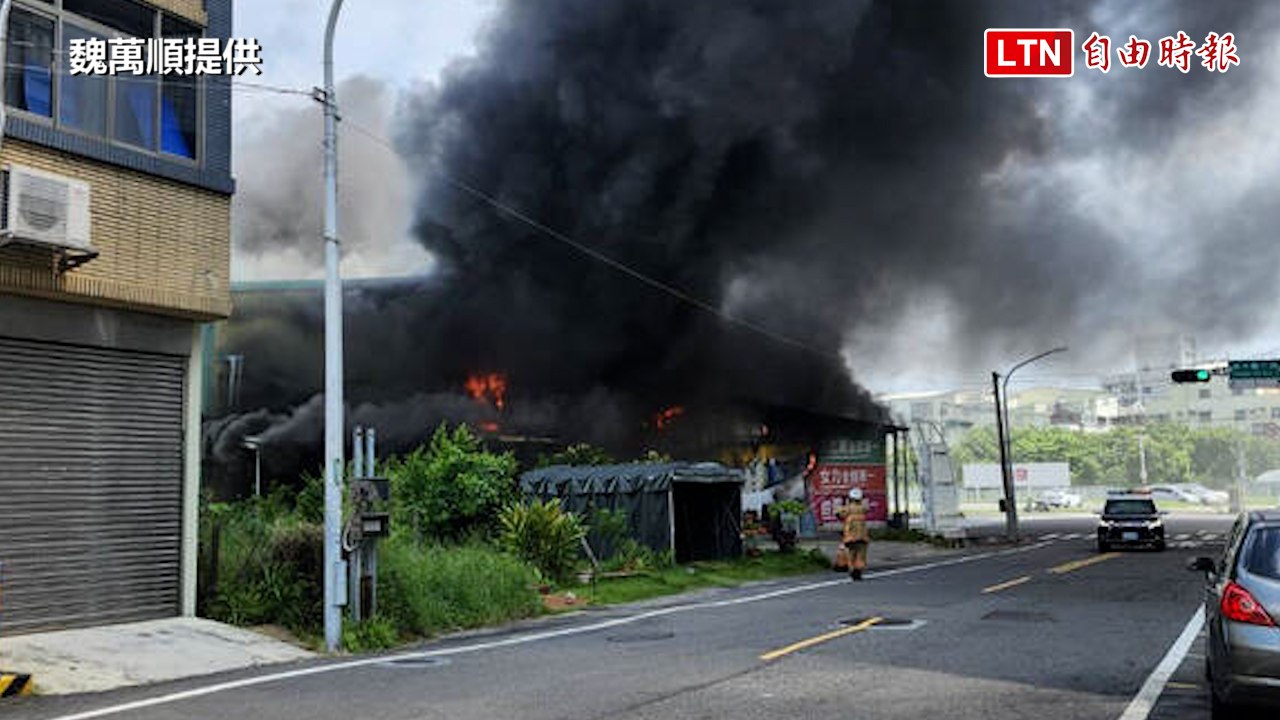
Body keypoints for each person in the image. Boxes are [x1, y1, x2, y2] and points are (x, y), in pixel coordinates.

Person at [838, 487, 871, 580]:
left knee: (850, 554)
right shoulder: (863, 509)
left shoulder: (847, 509)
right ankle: (858, 570)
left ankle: (852, 569)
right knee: (860, 554)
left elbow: (839, 513)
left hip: (850, 537)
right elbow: (866, 509)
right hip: (862, 536)